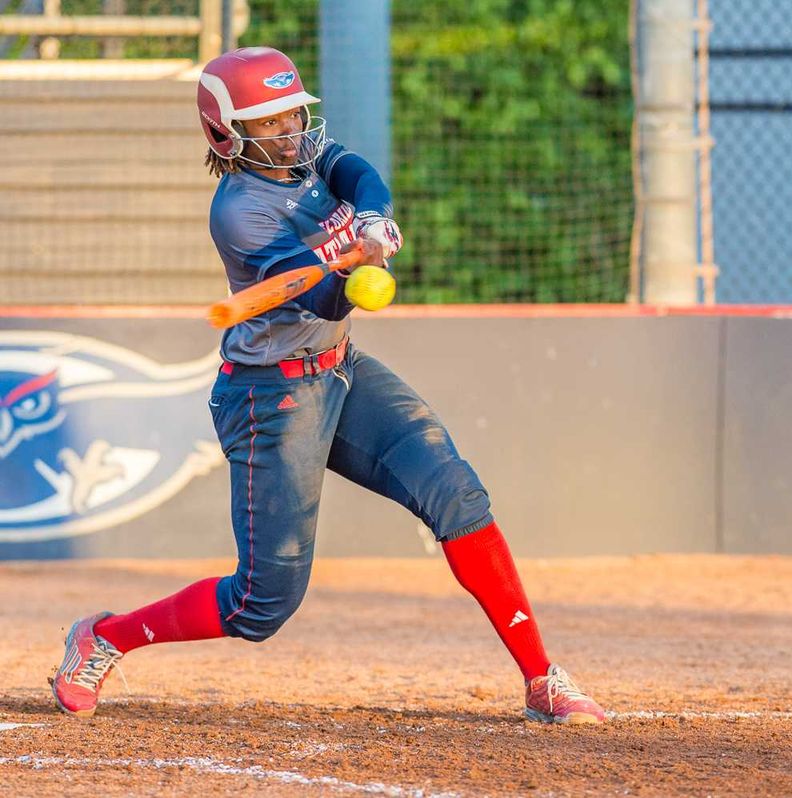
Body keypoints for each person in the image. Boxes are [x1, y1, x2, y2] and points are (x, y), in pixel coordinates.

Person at [50, 47, 605, 724]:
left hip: (341, 368)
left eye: (294, 113)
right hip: (269, 397)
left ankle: (542, 678)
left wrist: (372, 218)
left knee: (454, 491)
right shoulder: (240, 213)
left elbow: (358, 171)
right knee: (262, 603)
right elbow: (322, 300)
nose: (291, 130)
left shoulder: (306, 155)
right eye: (271, 121)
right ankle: (103, 637)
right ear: (228, 134)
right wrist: (350, 269)